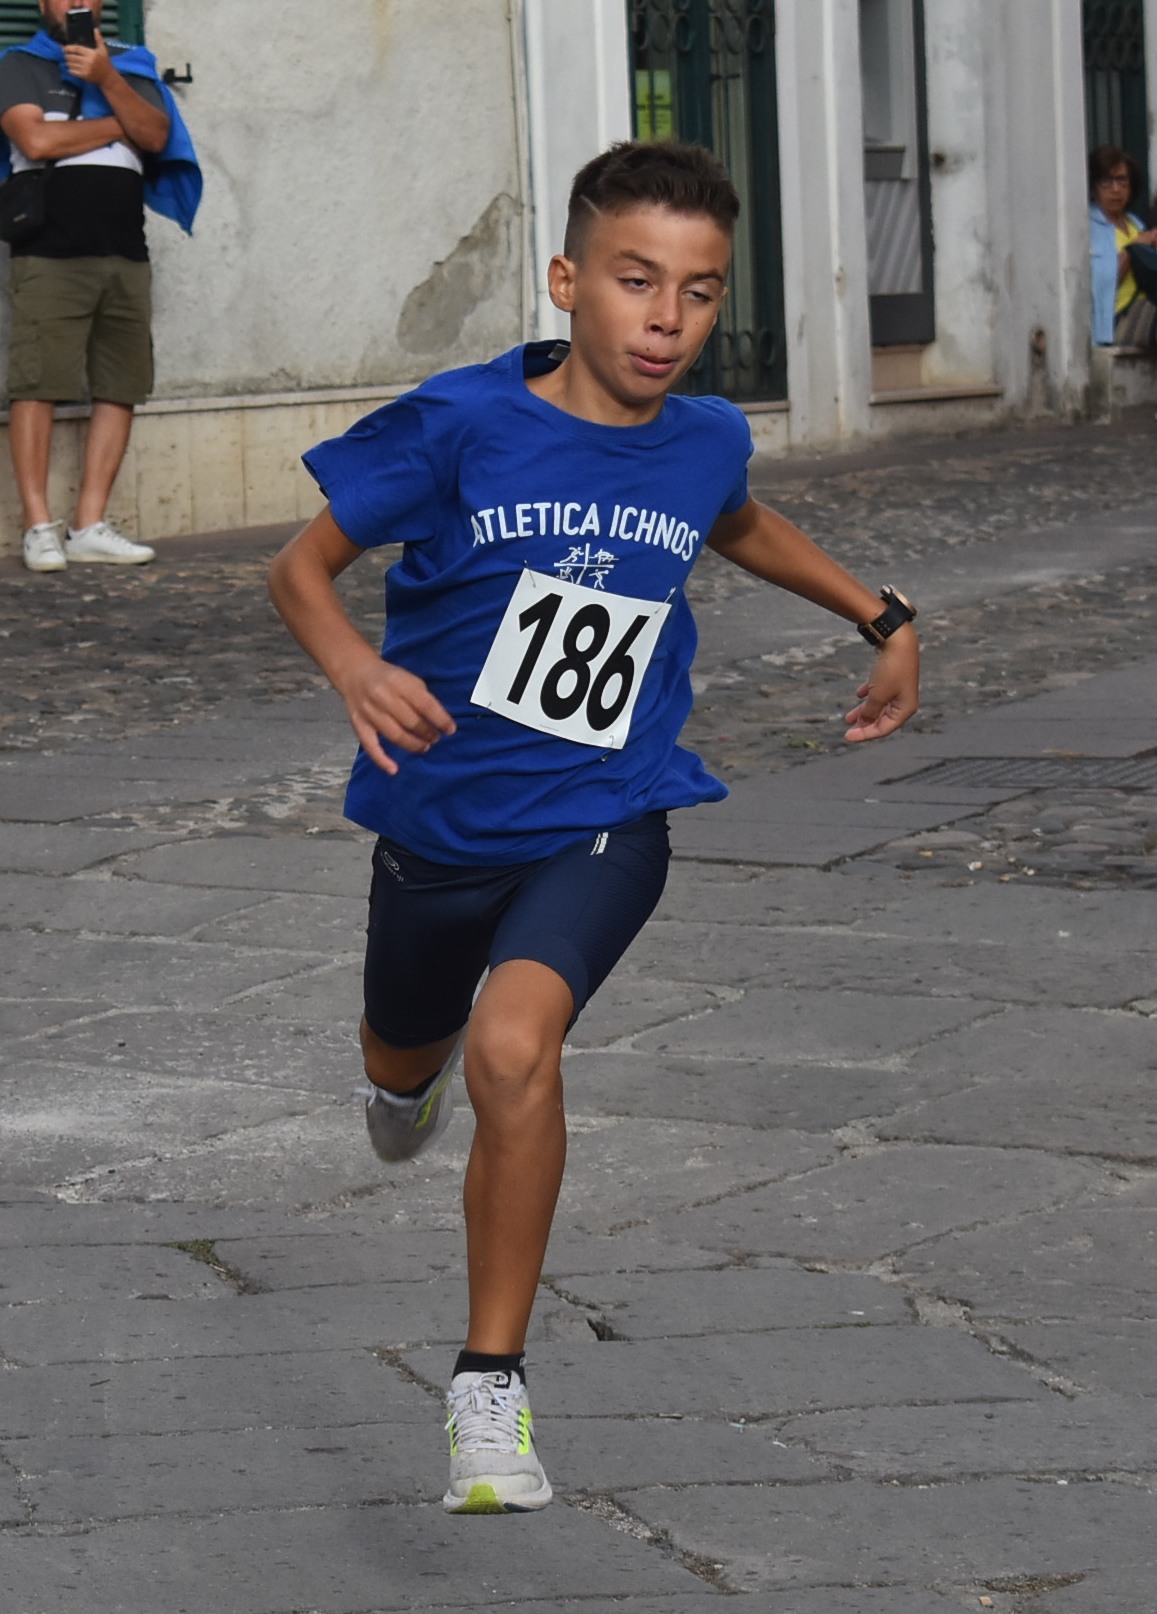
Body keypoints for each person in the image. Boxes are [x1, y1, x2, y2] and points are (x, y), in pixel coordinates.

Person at [268, 139, 920, 1516]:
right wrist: (354, 667)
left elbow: (736, 522)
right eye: (635, 281)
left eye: (698, 290)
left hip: (606, 814)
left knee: (516, 1047)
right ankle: (401, 1080)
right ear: (568, 281)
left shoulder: (705, 438)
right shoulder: (458, 425)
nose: (666, 318)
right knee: (404, 1062)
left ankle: (488, 1383)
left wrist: (881, 615)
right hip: (439, 825)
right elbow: (301, 565)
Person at [0, 0, 200, 572]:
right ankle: (38, 528)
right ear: (43, 3)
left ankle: (89, 525)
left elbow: (156, 135)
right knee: (37, 384)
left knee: (121, 385)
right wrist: (120, 124)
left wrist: (107, 77)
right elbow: (36, 142)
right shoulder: (20, 64)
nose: (77, 2)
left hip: (125, 251)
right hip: (49, 251)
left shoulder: (132, 66)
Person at [1088, 144, 1157, 348]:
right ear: (1093, 187)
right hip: (1116, 322)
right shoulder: (1087, 229)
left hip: (1147, 312)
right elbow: (1097, 288)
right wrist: (1132, 250)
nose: (1116, 189)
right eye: (1106, 182)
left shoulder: (1137, 225)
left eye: (1122, 180)